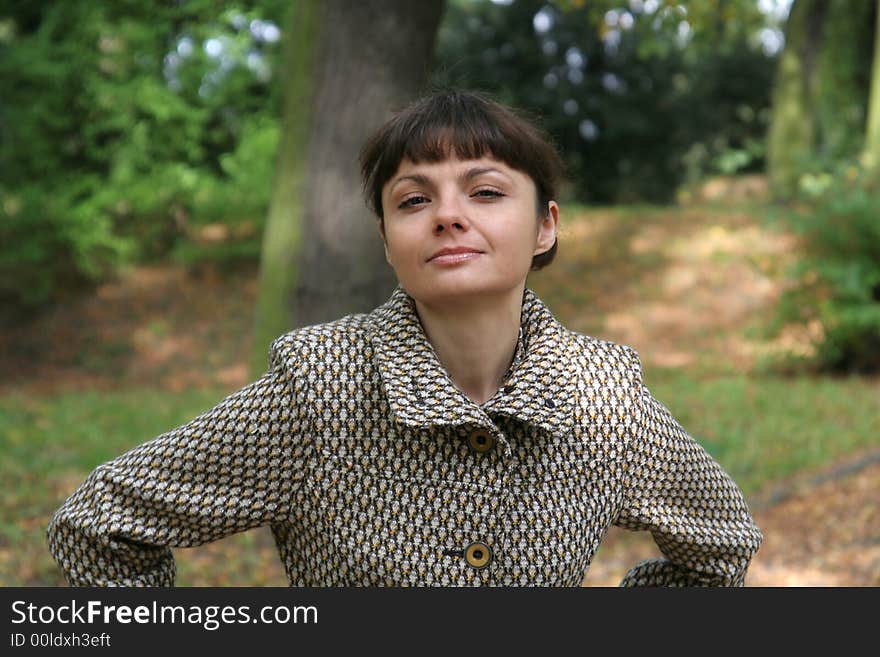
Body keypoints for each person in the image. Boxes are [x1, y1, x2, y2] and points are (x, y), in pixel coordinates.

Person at [47, 89, 762, 587]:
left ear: (545, 224)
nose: (448, 215)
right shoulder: (321, 386)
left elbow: (722, 543)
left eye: (484, 192)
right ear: (388, 240)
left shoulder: (604, 397)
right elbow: (99, 524)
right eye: (414, 200)